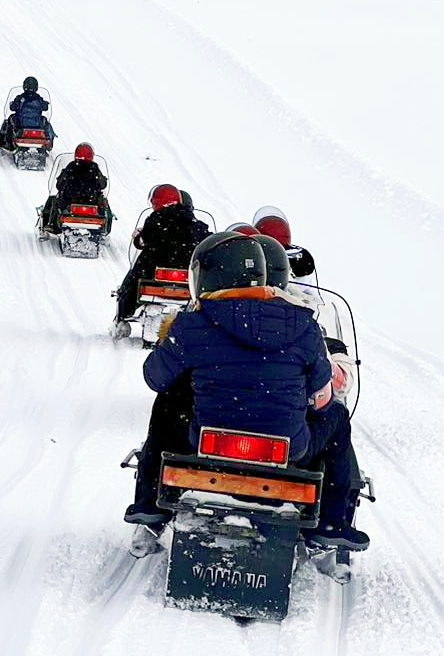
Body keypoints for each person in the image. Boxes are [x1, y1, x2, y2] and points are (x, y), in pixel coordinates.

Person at [125, 231, 370, 552]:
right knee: (336, 417)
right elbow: (322, 398)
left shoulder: (193, 323)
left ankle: (150, 506)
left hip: (208, 442)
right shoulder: (304, 323)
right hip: (288, 450)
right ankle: (331, 524)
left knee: (168, 399)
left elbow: (155, 378)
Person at [112, 184, 203, 324]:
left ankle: (123, 316)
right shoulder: (194, 222)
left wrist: (138, 237)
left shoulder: (156, 219)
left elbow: (143, 240)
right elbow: (206, 240)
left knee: (131, 281)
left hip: (156, 267)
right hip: (187, 270)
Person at [40, 142, 108, 232]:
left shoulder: (72, 166)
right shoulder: (94, 168)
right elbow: (103, 185)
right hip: (91, 203)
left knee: (55, 200)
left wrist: (63, 183)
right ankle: (104, 227)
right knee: (104, 204)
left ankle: (51, 224)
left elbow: (59, 185)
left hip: (70, 202)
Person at [0, 76, 51, 149]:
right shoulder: (39, 98)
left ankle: (8, 143)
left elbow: (12, 107)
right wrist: (45, 104)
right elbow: (45, 108)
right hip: (36, 124)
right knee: (45, 121)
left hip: (21, 124)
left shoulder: (20, 98)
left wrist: (13, 104)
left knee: (10, 120)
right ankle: (48, 139)